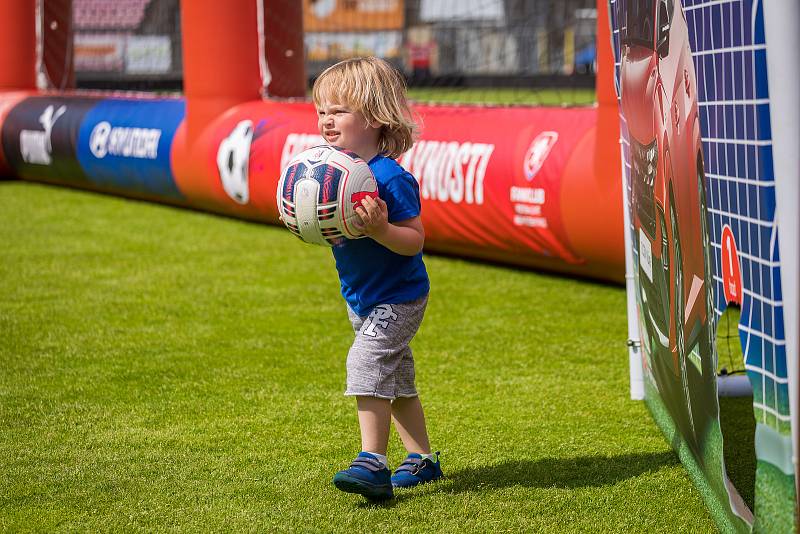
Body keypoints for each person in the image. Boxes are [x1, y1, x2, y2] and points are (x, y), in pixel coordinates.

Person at [312, 57, 442, 501]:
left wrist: (382, 229)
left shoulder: (389, 177)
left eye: (339, 111)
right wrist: (302, 214)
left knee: (366, 363)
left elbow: (414, 240)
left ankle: (372, 463)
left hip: (399, 297)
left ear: (373, 116)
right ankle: (422, 459)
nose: (327, 121)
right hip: (361, 297)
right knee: (397, 380)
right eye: (322, 111)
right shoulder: (329, 171)